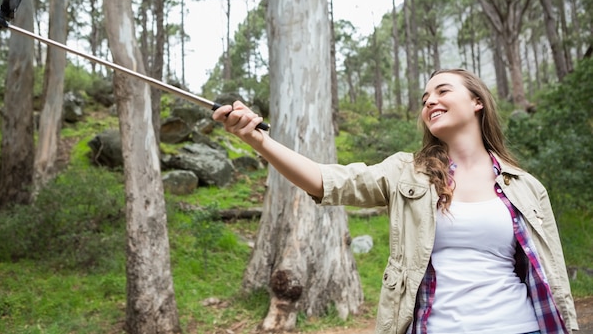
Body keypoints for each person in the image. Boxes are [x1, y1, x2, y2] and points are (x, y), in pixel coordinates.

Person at [212, 68, 579, 334]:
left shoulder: (526, 187)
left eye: (442, 91)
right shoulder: (407, 172)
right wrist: (258, 141)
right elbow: (327, 181)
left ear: (477, 102)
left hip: (519, 326)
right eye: (424, 99)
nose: (430, 101)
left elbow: (553, 275)